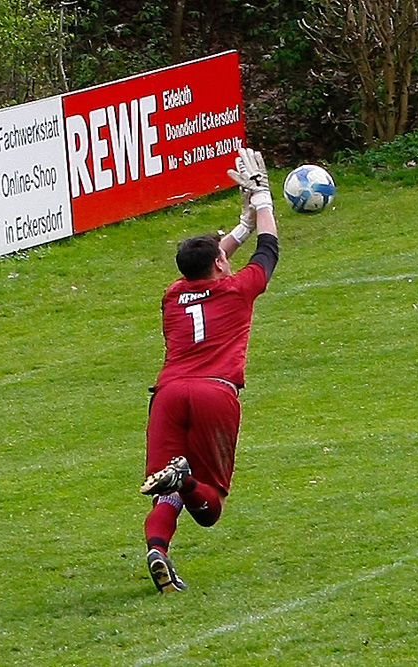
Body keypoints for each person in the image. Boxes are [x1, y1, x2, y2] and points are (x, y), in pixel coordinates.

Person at [140, 146, 279, 593]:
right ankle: (188, 481)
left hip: (168, 395)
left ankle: (158, 550)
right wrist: (262, 203)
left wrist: (237, 226)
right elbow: (269, 250)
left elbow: (209, 263)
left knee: (164, 491)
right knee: (209, 506)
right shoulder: (238, 290)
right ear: (220, 266)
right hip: (213, 393)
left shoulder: (170, 295)